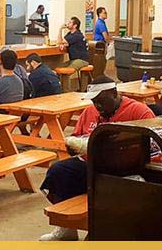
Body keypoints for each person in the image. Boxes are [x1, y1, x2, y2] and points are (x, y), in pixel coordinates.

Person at [38, 76, 155, 241]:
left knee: (126, 187)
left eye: (101, 101)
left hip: (123, 168)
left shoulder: (139, 111)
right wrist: (74, 145)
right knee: (59, 171)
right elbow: (76, 138)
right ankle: (66, 228)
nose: (97, 106)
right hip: (92, 164)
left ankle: (107, 232)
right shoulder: (90, 112)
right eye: (94, 102)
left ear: (114, 93)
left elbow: (154, 147)